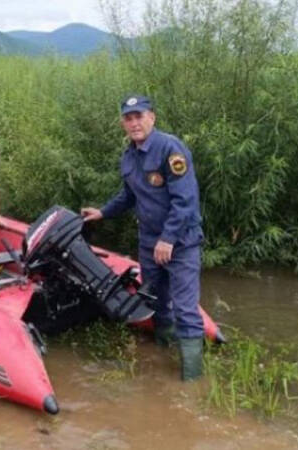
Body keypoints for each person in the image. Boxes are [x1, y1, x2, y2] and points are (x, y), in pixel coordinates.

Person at [81, 94, 205, 381]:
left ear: (152, 117)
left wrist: (168, 239)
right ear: (123, 123)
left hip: (180, 243)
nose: (134, 123)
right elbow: (128, 195)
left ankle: (192, 383)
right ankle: (163, 353)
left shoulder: (169, 149)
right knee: (157, 301)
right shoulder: (130, 155)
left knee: (185, 309)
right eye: (128, 118)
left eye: (139, 116)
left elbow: (185, 201)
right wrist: (102, 212)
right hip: (149, 243)